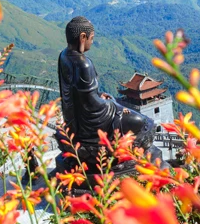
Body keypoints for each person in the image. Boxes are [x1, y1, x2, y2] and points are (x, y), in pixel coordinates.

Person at [56, 16, 163, 172]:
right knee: (145, 123)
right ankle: (127, 157)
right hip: (92, 126)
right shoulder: (84, 64)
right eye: (91, 39)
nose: (92, 42)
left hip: (74, 124)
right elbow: (90, 104)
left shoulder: (63, 56)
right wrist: (115, 106)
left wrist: (100, 95)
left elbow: (81, 97)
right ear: (82, 37)